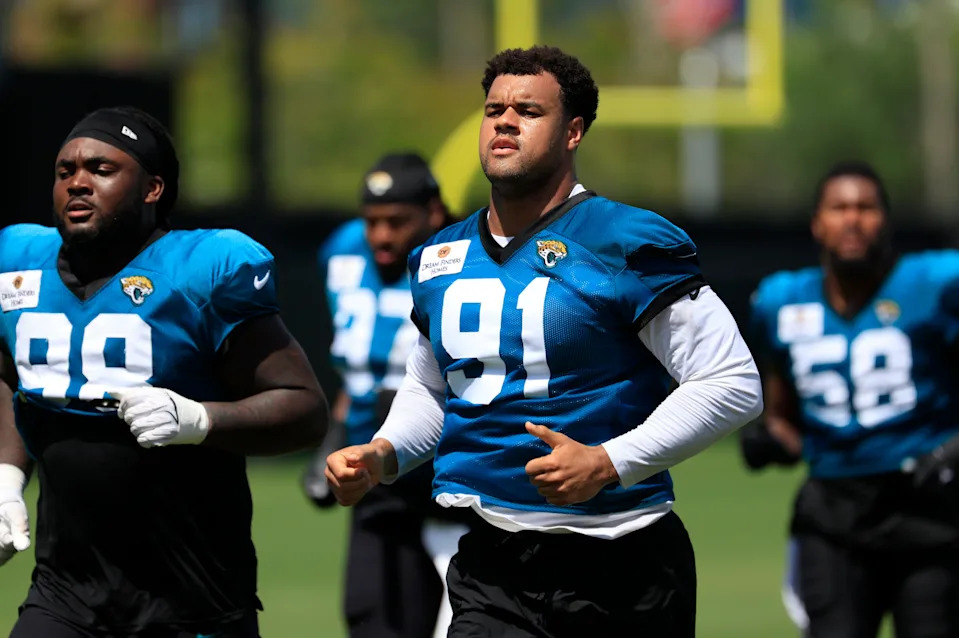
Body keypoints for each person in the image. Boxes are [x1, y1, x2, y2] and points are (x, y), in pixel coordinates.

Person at [325, 45, 763, 637]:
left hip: (621, 561)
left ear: (573, 131)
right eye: (493, 109)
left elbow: (731, 381)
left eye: (528, 111)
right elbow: (433, 388)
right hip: (491, 564)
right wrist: (384, 454)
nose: (504, 121)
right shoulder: (438, 258)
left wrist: (609, 461)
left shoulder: (622, 240)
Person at [0, 106, 328, 637]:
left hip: (193, 602)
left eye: (102, 170)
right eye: (65, 171)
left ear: (153, 188)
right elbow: (8, 374)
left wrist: (200, 419)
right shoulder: (18, 261)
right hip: (65, 595)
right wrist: (7, 476)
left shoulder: (201, 270)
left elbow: (304, 407)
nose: (78, 183)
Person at [743, 161, 959, 637]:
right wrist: (771, 438)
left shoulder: (936, 283)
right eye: (839, 208)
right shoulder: (782, 300)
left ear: (887, 219)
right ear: (818, 223)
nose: (853, 220)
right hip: (834, 517)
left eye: (866, 207)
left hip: (930, 510)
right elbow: (784, 414)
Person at [301, 152, 470, 638]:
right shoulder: (342, 251)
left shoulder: (464, 258)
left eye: (396, 222)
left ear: (433, 214)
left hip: (452, 470)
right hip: (378, 465)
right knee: (373, 617)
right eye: (372, 221)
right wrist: (334, 435)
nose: (381, 236)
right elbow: (357, 369)